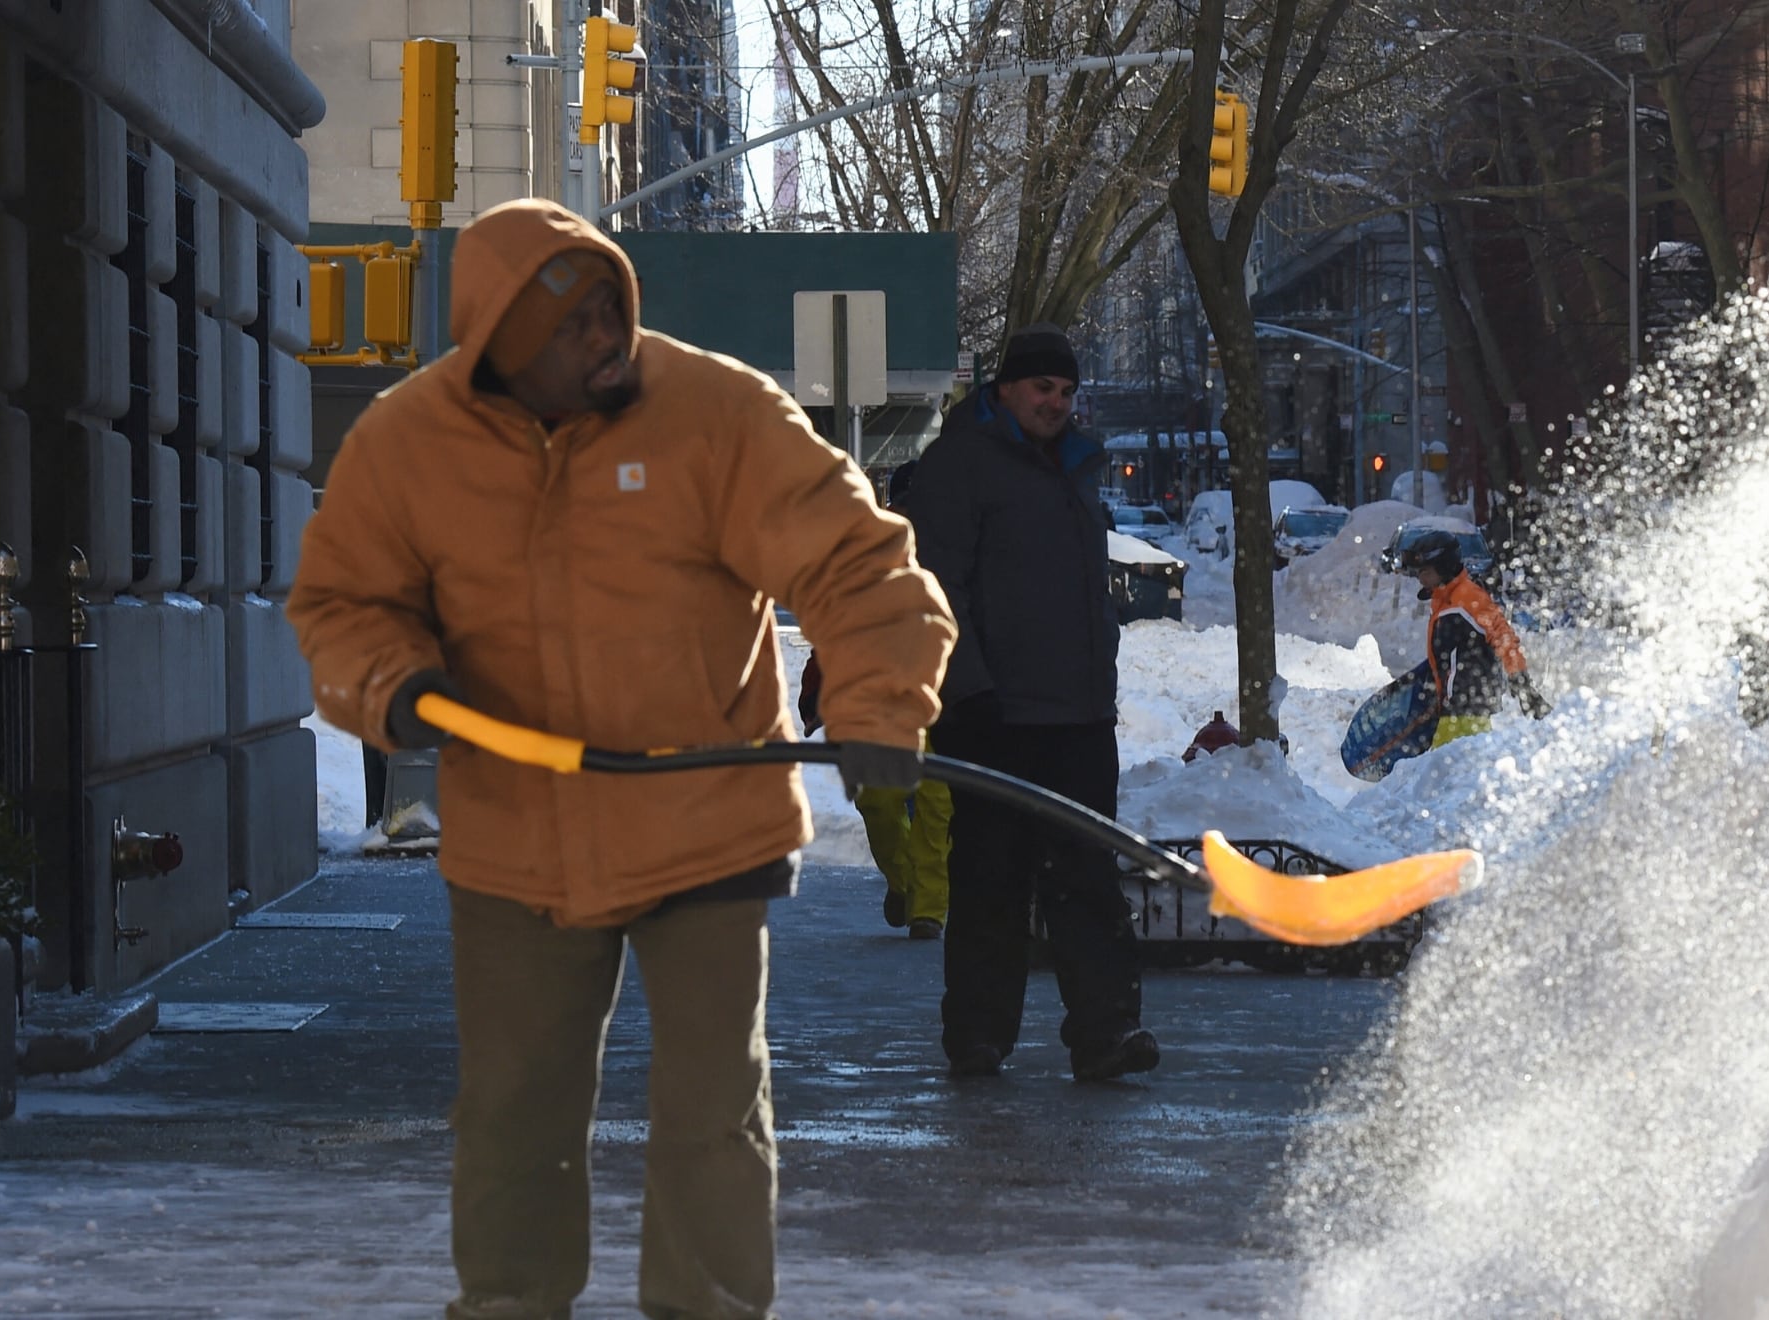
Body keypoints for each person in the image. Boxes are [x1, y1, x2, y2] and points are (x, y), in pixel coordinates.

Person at [287, 198, 955, 1320]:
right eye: (574, 328)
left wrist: (883, 703)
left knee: (710, 1113)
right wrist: (394, 682)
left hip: (707, 818)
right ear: (501, 348)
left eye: (611, 310)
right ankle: (508, 1304)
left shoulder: (716, 413)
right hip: (515, 835)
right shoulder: (408, 445)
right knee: (511, 1111)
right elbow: (341, 602)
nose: (607, 339)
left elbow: (859, 560)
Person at [904, 322, 1158, 1083]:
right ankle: (979, 1037)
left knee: (1087, 878)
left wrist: (1100, 689)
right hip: (996, 716)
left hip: (1078, 717)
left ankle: (1105, 1034)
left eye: (1067, 390)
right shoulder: (960, 466)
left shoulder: (1074, 470)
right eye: (1043, 387)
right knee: (990, 880)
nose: (1058, 402)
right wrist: (968, 693)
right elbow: (936, 588)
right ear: (1006, 388)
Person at [798, 464, 953, 940]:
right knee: (880, 801)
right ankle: (904, 883)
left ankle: (929, 907)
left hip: (946, 695)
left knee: (935, 803)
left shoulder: (959, 552)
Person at [1402, 530, 1550, 746]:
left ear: (1444, 568)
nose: (1420, 579)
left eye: (1424, 572)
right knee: (1443, 773)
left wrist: (1521, 682)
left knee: (1447, 774)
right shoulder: (1445, 600)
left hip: (1468, 707)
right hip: (1455, 707)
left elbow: (1503, 636)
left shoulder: (1468, 599)